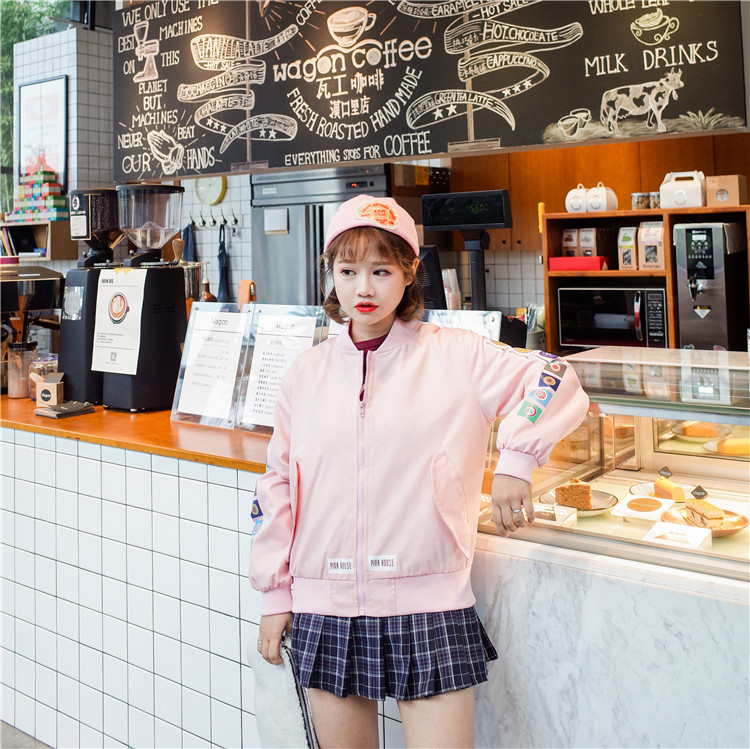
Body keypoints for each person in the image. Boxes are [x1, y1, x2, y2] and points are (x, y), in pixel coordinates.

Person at [250, 195, 589, 748]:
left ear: (409, 272)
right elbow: (277, 486)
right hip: (324, 606)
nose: (364, 288)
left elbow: (555, 376)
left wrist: (517, 460)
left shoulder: (458, 354)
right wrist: (274, 596)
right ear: (330, 274)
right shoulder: (304, 374)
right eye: (348, 271)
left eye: (381, 271)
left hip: (429, 604)